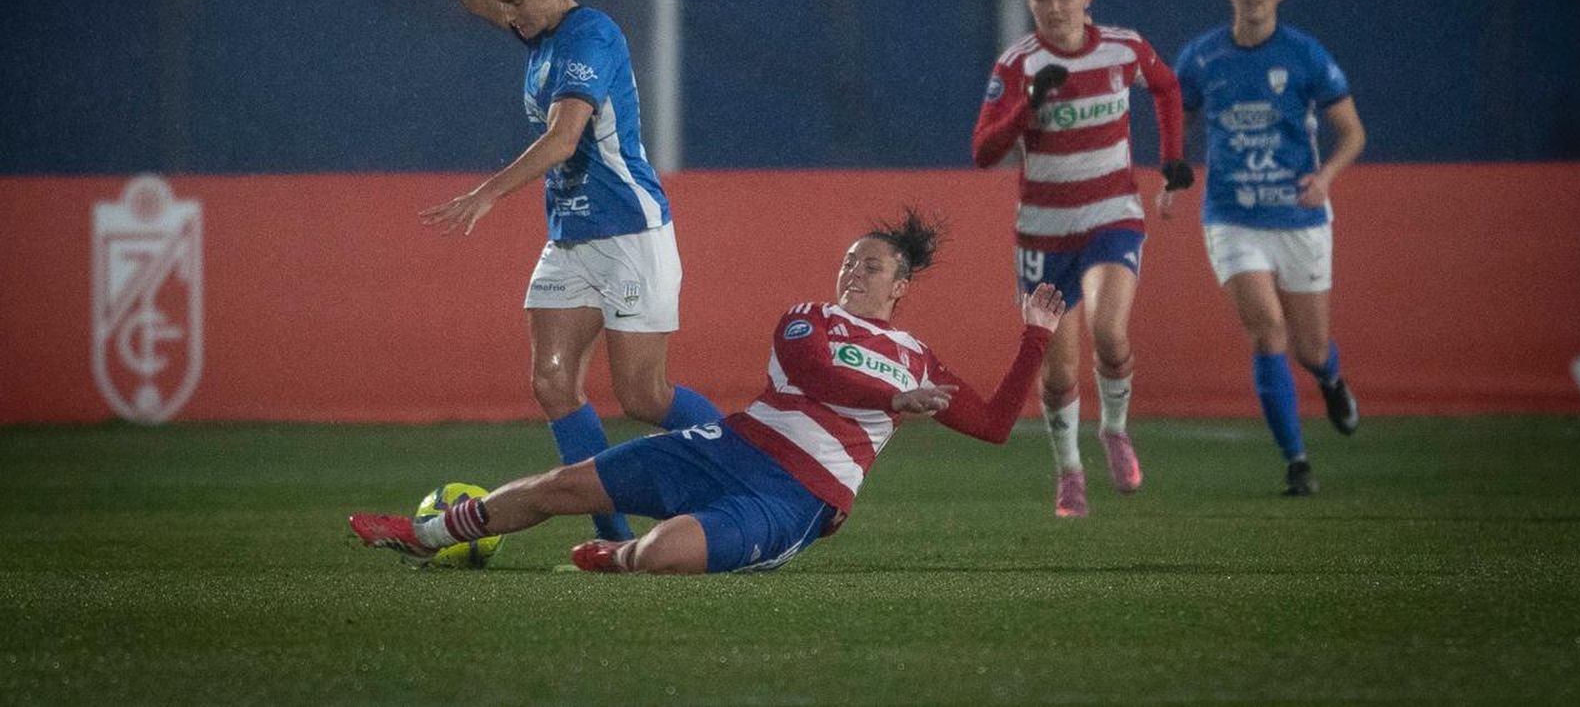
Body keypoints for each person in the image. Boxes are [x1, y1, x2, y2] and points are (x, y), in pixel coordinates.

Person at [349, 208, 1067, 574]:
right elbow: (817, 375)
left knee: (663, 557)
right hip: (724, 448)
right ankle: (423, 533)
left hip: (791, 500)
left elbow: (997, 425)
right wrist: (891, 403)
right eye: (849, 260)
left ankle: (619, 558)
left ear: (900, 287)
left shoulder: (918, 359)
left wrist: (1034, 337)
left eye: (872, 266)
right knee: (561, 486)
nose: (854, 271)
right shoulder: (806, 318)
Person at [395, 0, 720, 542]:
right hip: (571, 237)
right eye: (505, 2)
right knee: (552, 382)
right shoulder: (538, 32)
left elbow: (565, 137)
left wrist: (487, 192)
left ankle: (757, 468)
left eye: (517, 1)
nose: (507, 14)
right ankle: (613, 535)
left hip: (630, 232)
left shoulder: (589, 37)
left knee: (644, 398)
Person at [972, 0, 1191, 518]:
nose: (1054, 9)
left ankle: (1114, 429)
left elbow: (1167, 89)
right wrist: (1027, 107)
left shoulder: (1122, 48)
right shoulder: (1018, 64)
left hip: (1111, 214)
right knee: (1060, 370)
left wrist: (1171, 161)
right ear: (1030, 3)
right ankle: (1069, 470)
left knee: (1109, 331)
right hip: (1044, 234)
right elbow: (983, 152)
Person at [1166, 0, 1365, 497]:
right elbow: (1175, 124)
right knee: (1267, 329)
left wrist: (1325, 177)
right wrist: (1172, 177)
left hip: (1299, 217)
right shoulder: (1202, 58)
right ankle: (1296, 461)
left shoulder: (1304, 55)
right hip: (1232, 216)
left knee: (1310, 346)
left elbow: (1352, 133)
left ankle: (1330, 378)